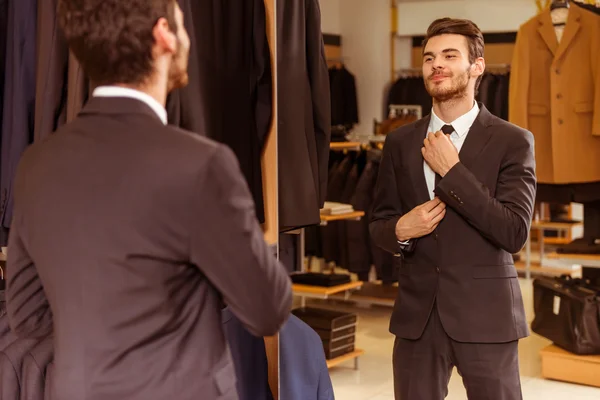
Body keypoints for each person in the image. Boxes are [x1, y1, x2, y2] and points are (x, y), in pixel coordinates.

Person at [5, 1, 292, 399]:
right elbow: (268, 308)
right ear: (163, 35)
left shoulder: (36, 165)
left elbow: (28, 314)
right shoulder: (202, 165)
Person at [370, 18, 536, 400]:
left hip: (487, 315)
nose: (436, 65)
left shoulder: (513, 141)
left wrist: (453, 171)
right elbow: (378, 224)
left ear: (477, 66)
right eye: (429, 58)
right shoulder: (399, 142)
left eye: (449, 55)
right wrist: (400, 230)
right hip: (417, 319)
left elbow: (514, 233)